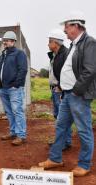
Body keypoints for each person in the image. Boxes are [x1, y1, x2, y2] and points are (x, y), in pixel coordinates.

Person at [38, 11, 96, 177]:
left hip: (78, 95)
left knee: (84, 130)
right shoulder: (74, 45)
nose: (64, 30)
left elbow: (90, 70)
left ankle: (84, 164)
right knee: (61, 126)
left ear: (76, 26)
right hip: (68, 95)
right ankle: (55, 158)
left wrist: (77, 91)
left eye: (66, 26)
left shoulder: (89, 43)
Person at [0, 31, 28, 146]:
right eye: (4, 40)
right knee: (9, 112)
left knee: (17, 111)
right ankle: (13, 132)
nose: (5, 42)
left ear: (13, 41)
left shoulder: (19, 54)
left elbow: (23, 70)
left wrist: (16, 84)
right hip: (3, 89)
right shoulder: (2, 55)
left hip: (14, 89)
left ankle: (21, 135)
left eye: (8, 40)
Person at [47, 29, 72, 150]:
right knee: (58, 116)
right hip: (55, 90)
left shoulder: (65, 54)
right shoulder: (56, 55)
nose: (48, 44)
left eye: (49, 41)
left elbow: (67, 73)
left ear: (55, 43)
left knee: (63, 118)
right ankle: (62, 140)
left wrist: (61, 87)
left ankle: (65, 142)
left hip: (60, 91)